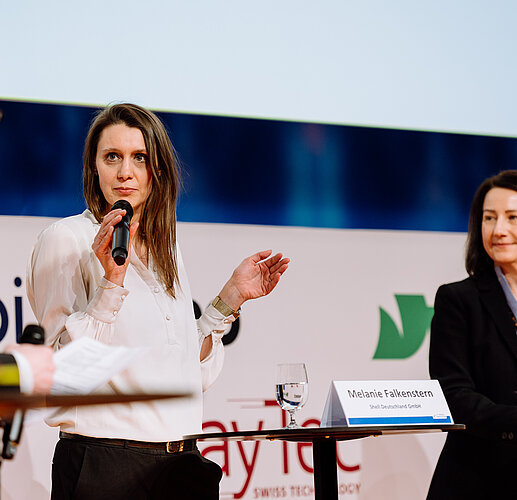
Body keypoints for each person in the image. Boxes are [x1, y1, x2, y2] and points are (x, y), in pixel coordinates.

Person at [26, 103, 289, 500]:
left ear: (158, 170)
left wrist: (228, 301)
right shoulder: (66, 240)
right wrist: (110, 284)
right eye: (111, 157)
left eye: (140, 158)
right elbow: (60, 378)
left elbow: (188, 373)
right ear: (93, 167)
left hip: (181, 464)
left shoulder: (167, 247)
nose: (125, 172)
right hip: (105, 465)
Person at [428, 170, 517, 499]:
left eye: (512, 217)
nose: (499, 230)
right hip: (478, 479)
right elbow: (454, 395)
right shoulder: (457, 299)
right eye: (489, 218)